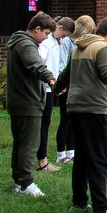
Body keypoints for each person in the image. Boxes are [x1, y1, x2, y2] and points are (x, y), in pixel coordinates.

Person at [54, 17, 107, 213]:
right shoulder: (102, 48)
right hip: (95, 108)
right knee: (99, 157)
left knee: (81, 156)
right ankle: (100, 208)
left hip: (76, 107)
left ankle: (79, 201)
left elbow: (65, 75)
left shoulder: (78, 47)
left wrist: (56, 89)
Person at [6, 11, 58, 197]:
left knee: (20, 143)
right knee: (29, 143)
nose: (45, 39)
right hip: (28, 102)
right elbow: (35, 65)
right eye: (45, 34)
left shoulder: (17, 42)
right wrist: (51, 80)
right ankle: (27, 183)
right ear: (37, 29)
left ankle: (18, 181)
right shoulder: (27, 45)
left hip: (17, 101)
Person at [36, 17, 74, 173]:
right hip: (45, 88)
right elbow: (41, 62)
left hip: (52, 87)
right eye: (64, 34)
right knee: (43, 124)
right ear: (58, 27)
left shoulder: (56, 42)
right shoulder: (47, 42)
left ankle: (43, 159)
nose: (64, 38)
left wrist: (59, 83)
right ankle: (42, 161)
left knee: (46, 122)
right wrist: (51, 81)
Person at [57, 15, 95, 164]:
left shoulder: (81, 44)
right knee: (65, 121)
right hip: (67, 86)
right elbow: (62, 64)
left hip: (77, 86)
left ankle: (71, 151)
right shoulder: (67, 42)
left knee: (74, 121)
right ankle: (61, 153)